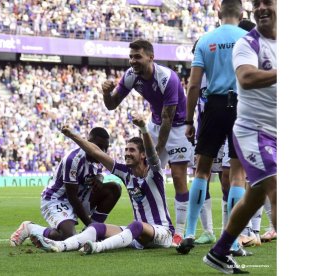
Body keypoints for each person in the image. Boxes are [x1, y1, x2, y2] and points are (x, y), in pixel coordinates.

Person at [203, 0, 277, 273]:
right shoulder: (247, 43)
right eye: (256, 4)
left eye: (266, 2)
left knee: (254, 196)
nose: (260, 8)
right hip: (254, 132)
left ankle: (219, 251)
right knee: (278, 189)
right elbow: (245, 77)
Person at [29, 115, 174, 254]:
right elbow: (96, 152)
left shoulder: (154, 172)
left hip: (162, 233)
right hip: (139, 238)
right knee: (96, 228)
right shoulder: (125, 173)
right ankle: (60, 245)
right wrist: (73, 135)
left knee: (136, 225)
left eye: (132, 150)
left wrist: (143, 129)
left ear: (143, 155)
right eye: (126, 150)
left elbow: (152, 154)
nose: (127, 153)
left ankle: (97, 247)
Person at [101, 39, 194, 246]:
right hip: (155, 123)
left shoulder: (168, 78)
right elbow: (112, 105)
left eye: (138, 56)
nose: (133, 61)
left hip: (177, 127)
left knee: (179, 177)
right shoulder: (131, 75)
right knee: (146, 176)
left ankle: (178, 233)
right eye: (131, 56)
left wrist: (156, 153)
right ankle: (151, 224)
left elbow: (168, 118)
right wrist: (107, 93)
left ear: (151, 57)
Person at [177, 0, 249, 256]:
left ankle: (188, 233)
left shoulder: (205, 40)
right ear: (242, 14)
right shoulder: (249, 38)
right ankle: (234, 239)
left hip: (213, 107)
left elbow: (194, 85)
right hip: (242, 106)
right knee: (238, 173)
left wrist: (188, 121)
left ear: (219, 13)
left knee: (202, 171)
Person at [9, 127, 122, 246]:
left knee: (114, 189)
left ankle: (87, 235)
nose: (103, 151)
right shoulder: (73, 160)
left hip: (80, 197)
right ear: (88, 142)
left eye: (106, 147)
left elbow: (98, 173)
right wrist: (91, 226)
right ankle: (30, 228)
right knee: (67, 236)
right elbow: (72, 197)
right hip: (57, 199)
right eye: (99, 146)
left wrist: (99, 178)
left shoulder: (98, 157)